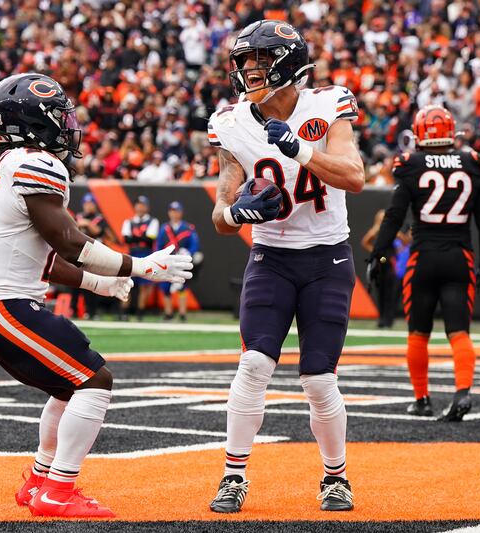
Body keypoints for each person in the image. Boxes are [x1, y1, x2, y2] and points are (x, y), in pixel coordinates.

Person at [0, 73, 191, 518]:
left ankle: (41, 482)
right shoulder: (34, 163)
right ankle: (58, 492)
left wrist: (100, 283)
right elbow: (69, 241)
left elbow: (36, 257)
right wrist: (140, 266)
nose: (67, 126)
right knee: (94, 380)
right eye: (58, 117)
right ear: (33, 122)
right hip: (1, 304)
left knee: (68, 387)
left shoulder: (3, 164)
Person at [207, 20, 365, 513]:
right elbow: (219, 214)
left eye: (260, 60)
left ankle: (335, 477)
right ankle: (234, 475)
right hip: (271, 257)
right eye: (245, 62)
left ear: (290, 62)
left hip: (327, 256)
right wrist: (237, 213)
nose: (249, 71)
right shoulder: (232, 123)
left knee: (319, 378)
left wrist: (298, 148)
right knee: (253, 365)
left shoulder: (327, 105)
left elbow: (355, 176)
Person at [367, 105, 480, 422]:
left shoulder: (411, 164)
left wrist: (377, 254)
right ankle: (462, 392)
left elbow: (394, 215)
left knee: (417, 333)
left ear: (420, 133)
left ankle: (422, 398)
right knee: (459, 332)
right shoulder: (472, 163)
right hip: (459, 256)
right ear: (452, 133)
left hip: (423, 257)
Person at [70, 193, 113, 320]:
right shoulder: (78, 217)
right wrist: (81, 223)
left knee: (92, 283)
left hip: (94, 254)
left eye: (91, 203)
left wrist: (87, 224)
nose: (88, 206)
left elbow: (98, 231)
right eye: (86, 203)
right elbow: (72, 230)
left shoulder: (100, 218)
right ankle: (73, 309)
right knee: (74, 282)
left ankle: (92, 311)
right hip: (79, 253)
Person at [157, 201, 200, 322]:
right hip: (168, 260)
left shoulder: (188, 228)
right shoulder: (164, 228)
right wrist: (160, 256)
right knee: (166, 286)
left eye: (177, 211)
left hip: (181, 261)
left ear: (181, 213)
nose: (174, 214)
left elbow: (194, 244)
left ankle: (182, 313)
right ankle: (168, 312)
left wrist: (188, 252)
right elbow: (159, 245)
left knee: (182, 285)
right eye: (172, 211)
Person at [120, 195, 160, 320]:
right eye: (138, 204)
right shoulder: (129, 221)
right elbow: (127, 239)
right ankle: (124, 312)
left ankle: (140, 313)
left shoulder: (153, 221)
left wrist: (136, 239)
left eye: (142, 205)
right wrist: (141, 238)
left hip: (146, 254)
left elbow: (149, 239)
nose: (140, 207)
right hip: (132, 254)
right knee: (127, 283)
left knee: (144, 285)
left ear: (147, 207)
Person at [361, 209, 396, 328]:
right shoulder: (375, 230)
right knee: (380, 291)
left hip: (389, 263)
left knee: (389, 292)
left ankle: (389, 320)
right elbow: (365, 242)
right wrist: (376, 253)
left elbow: (404, 240)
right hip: (380, 263)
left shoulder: (391, 229)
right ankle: (382, 319)